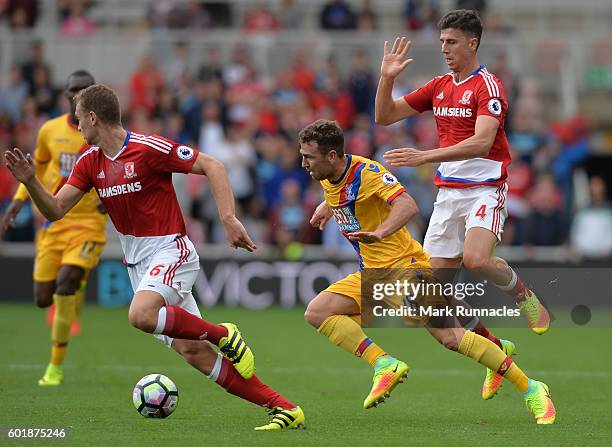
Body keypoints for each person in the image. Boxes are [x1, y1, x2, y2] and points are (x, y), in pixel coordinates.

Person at [4, 84, 304, 430]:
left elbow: (212, 165)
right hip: (139, 265)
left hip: (170, 249)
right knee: (195, 354)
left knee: (141, 315)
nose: (77, 128)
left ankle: (224, 333)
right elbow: (56, 210)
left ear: (92, 118)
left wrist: (228, 218)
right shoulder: (90, 162)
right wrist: (31, 183)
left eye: (78, 120)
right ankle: (285, 408)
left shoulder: (148, 148)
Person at [301, 119, 555, 424]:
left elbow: (407, 206)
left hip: (406, 269)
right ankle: (384, 363)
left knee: (450, 337)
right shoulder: (327, 175)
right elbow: (341, 193)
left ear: (332, 156)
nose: (304, 163)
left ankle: (532, 389)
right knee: (318, 312)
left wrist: (380, 233)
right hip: (372, 275)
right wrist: (327, 206)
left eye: (309, 157)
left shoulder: (367, 174)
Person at [375, 10, 550, 398]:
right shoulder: (438, 86)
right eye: (441, 43)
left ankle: (523, 295)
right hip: (448, 195)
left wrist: (425, 156)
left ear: (473, 43)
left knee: (476, 259)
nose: (445, 49)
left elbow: (482, 143)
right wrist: (386, 78)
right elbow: (384, 116)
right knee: (435, 298)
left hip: (485, 188)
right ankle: (497, 349)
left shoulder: (488, 86)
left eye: (452, 42)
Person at [2, 70, 106, 386]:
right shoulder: (49, 130)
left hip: (88, 223)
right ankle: (76, 285)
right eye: (73, 90)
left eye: (84, 89)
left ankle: (55, 367)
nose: (78, 94)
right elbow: (37, 171)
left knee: (66, 283)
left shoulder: (105, 133)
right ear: (66, 95)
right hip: (52, 222)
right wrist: (17, 204)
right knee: (43, 298)